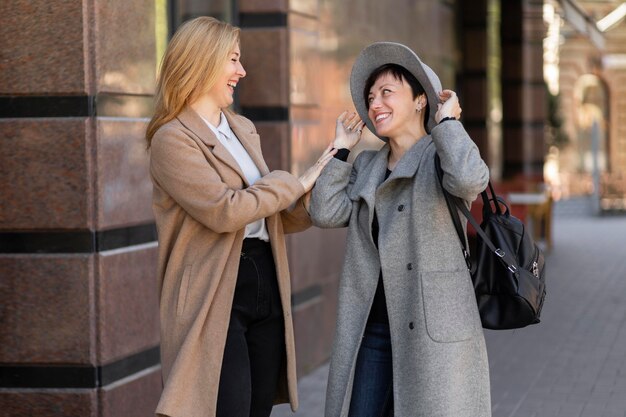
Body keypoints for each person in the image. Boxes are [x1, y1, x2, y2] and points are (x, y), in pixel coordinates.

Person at [146, 17, 336, 417]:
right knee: (227, 407)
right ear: (204, 62)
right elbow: (226, 210)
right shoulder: (172, 139)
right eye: (233, 60)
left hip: (264, 278)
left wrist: (323, 178)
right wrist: (295, 181)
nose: (241, 71)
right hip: (214, 290)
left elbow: (267, 211)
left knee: (257, 408)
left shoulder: (242, 129)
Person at [310, 42, 492, 417]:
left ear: (421, 100)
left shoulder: (441, 154)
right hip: (375, 329)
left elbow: (471, 179)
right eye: (371, 96)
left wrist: (449, 124)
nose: (375, 103)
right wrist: (342, 150)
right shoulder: (368, 167)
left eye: (387, 92)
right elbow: (324, 212)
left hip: (432, 330)